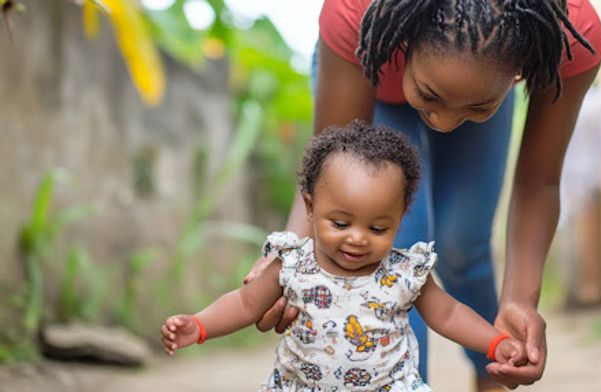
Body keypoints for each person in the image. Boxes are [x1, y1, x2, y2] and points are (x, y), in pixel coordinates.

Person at [246, 0, 601, 390]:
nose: (445, 123)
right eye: (431, 99)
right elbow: (329, 176)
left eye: (472, 108)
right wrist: (287, 257)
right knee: (392, 240)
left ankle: (495, 369)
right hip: (371, 72)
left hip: (479, 74)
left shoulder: (570, 37)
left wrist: (521, 300)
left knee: (462, 241)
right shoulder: (357, 12)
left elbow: (539, 182)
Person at [161, 122, 526, 391]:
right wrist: (200, 325)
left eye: (378, 228)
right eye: (339, 222)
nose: (357, 239)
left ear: (400, 219)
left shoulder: (404, 272)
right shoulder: (292, 263)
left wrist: (495, 342)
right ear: (310, 207)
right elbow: (244, 303)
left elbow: (448, 313)